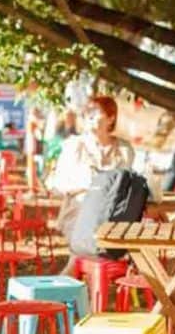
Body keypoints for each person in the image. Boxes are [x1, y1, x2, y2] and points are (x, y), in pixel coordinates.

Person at [46, 95, 134, 275]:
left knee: (86, 255)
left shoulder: (124, 150)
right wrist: (86, 186)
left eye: (96, 111)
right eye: (87, 112)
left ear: (111, 118)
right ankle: (76, 294)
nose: (90, 115)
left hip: (112, 217)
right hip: (78, 213)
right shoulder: (74, 145)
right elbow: (58, 184)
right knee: (86, 251)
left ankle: (66, 293)